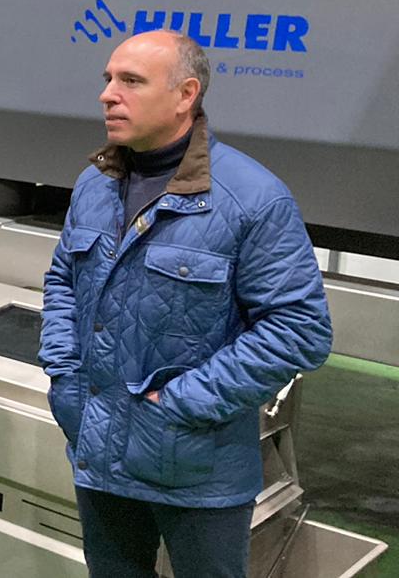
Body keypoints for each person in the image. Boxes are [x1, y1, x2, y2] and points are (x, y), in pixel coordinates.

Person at [39, 30, 332, 578]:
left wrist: (179, 404)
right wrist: (64, 376)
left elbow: (300, 329)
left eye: (130, 81)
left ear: (185, 94)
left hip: (196, 469)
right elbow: (61, 281)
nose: (108, 94)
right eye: (108, 79)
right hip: (98, 449)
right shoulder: (95, 184)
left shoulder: (252, 199)